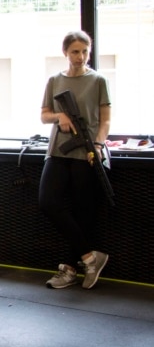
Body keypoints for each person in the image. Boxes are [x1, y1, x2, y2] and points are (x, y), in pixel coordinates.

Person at [39, 30, 110, 290]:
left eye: (84, 51)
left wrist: (99, 145)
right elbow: (44, 115)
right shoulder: (55, 80)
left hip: (87, 153)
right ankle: (91, 257)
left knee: (83, 212)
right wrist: (60, 117)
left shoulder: (99, 80)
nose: (80, 57)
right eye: (75, 52)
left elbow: (106, 120)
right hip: (58, 150)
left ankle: (70, 269)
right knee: (48, 201)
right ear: (65, 53)